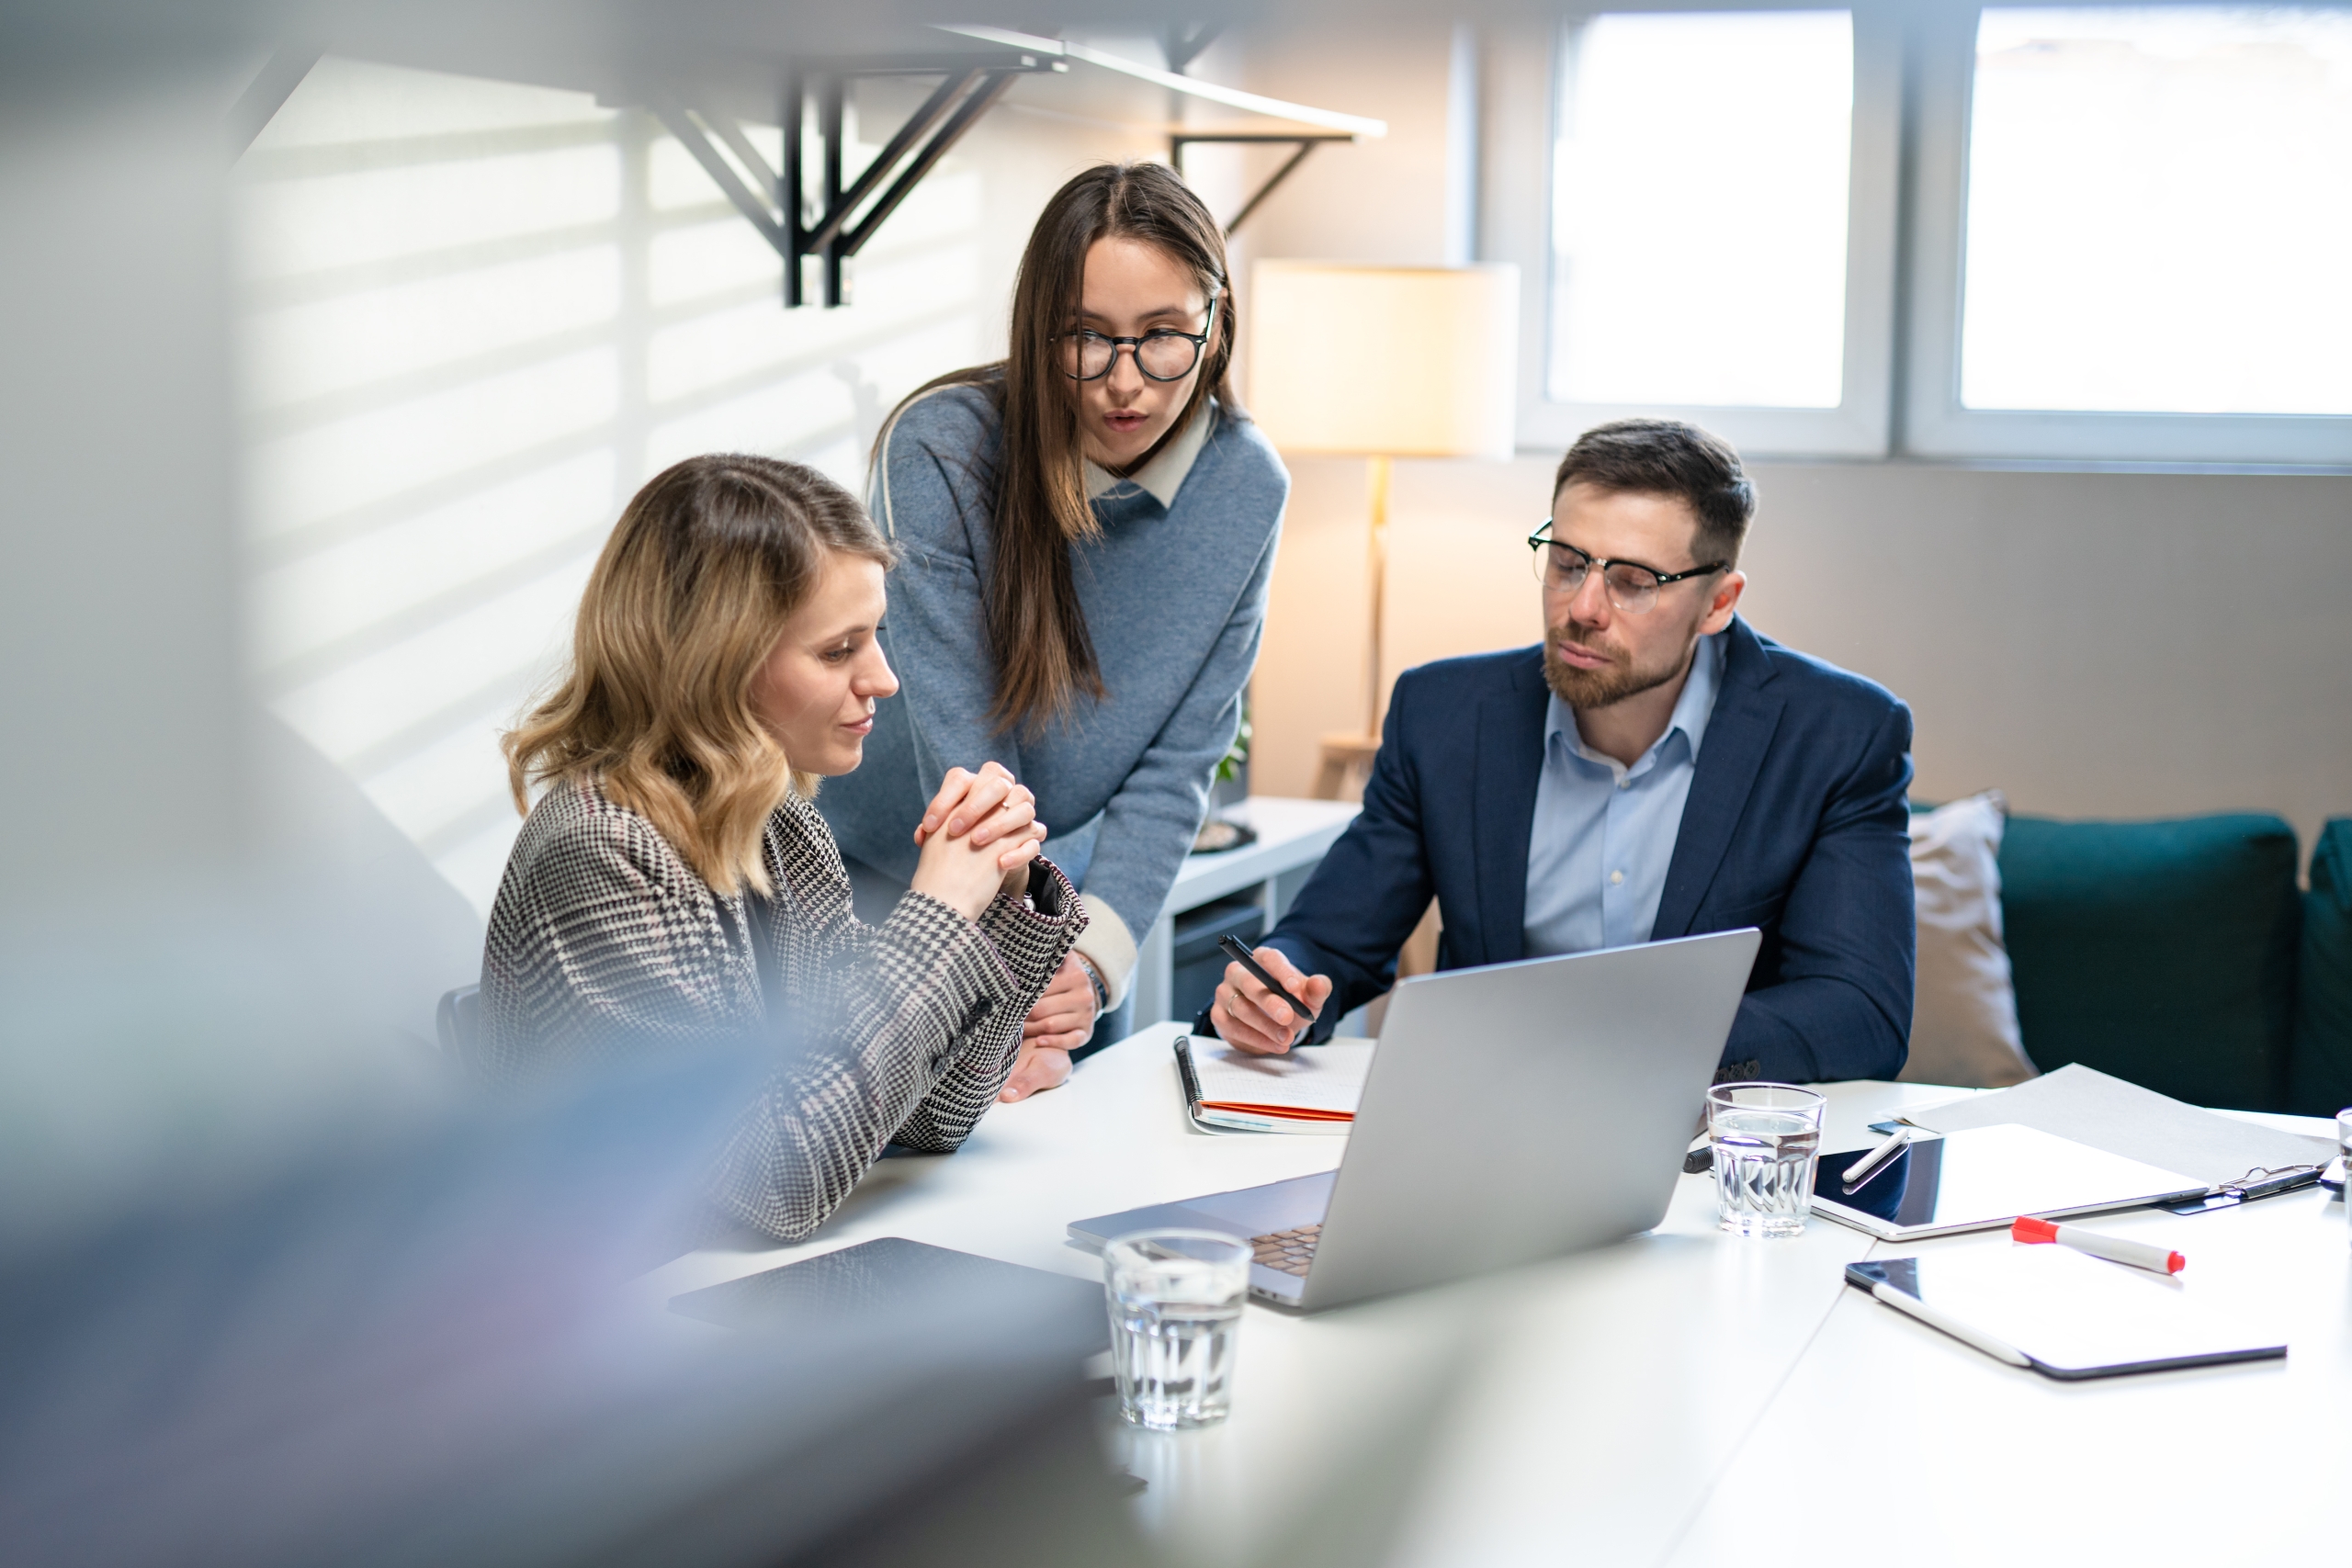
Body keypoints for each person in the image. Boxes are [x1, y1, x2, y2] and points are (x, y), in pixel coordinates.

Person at [481, 454, 1085, 1243]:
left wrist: (994, 899)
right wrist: (938, 910)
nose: (884, 679)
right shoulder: (599, 854)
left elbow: (927, 1115)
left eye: (875, 638)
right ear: (716, 662)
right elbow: (774, 1182)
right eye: (840, 650)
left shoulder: (783, 828)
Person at [1204, 419, 1916, 1084]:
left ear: (1719, 602)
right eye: (1569, 562)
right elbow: (1330, 940)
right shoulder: (1446, 716)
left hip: (1703, 1140)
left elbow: (1860, 1010)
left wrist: (1623, 1043)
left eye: (1634, 582)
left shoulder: (1838, 734)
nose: (1583, 606)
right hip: (1487, 1129)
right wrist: (1276, 986)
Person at [819, 160, 1288, 1102]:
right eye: (1086, 339)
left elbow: (1178, 765)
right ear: (1041, 331)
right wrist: (1022, 967)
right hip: (872, 887)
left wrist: (1090, 969)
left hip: (1040, 901)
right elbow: (965, 758)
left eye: (1163, 339)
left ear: (1216, 322)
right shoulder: (941, 448)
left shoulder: (1247, 487)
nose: (1126, 386)